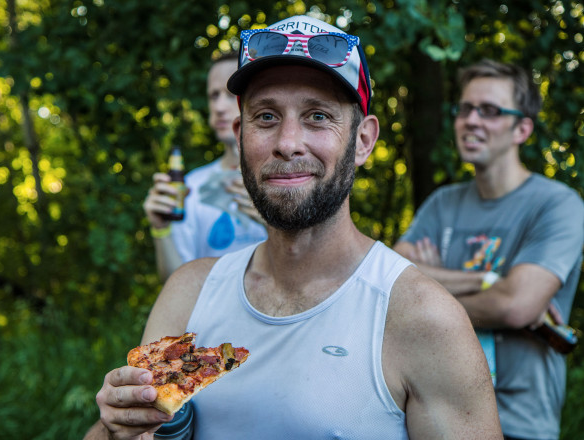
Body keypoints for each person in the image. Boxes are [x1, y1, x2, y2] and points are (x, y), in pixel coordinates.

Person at [86, 15, 502, 439]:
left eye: (318, 116)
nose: (287, 143)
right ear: (240, 134)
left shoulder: (421, 317)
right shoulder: (189, 293)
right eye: (266, 117)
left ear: (363, 140)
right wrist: (114, 426)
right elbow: (135, 432)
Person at [393, 59, 584, 440]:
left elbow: (516, 306)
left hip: (519, 421)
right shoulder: (441, 204)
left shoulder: (558, 205)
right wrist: (487, 281)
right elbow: (394, 277)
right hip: (436, 413)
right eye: (465, 109)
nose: (472, 120)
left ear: (522, 129)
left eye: (491, 111)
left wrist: (428, 292)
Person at [143, 53, 267, 281]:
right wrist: (160, 229)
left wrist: (274, 222)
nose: (219, 106)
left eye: (231, 95)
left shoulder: (285, 178)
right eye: (213, 95)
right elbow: (176, 281)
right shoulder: (190, 186)